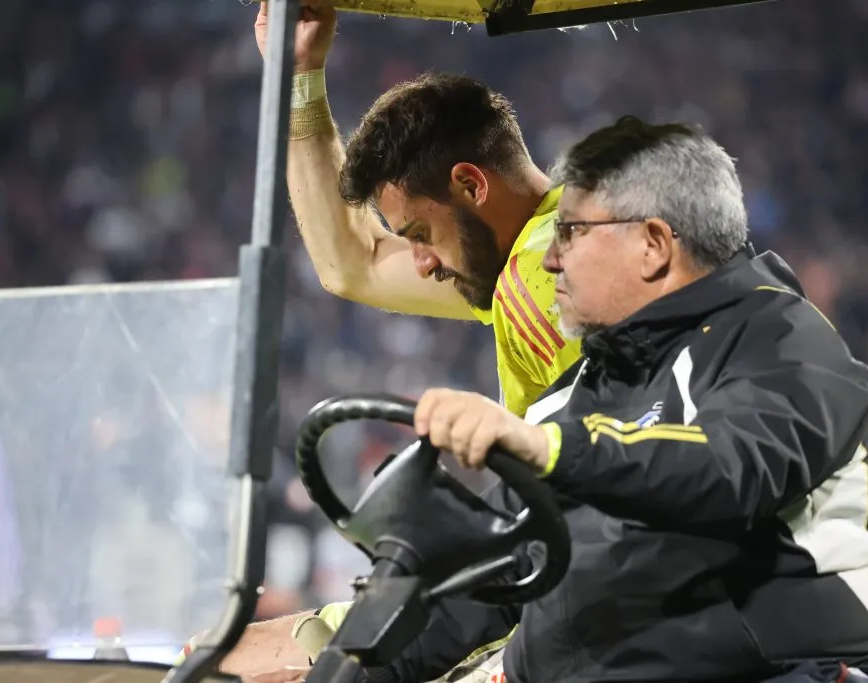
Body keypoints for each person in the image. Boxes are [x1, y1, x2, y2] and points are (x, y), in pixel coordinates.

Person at [344, 116, 868, 683]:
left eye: (571, 234)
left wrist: (548, 448)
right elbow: (488, 575)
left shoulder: (781, 339)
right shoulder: (580, 393)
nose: (551, 259)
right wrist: (346, 667)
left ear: (653, 245)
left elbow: (727, 467)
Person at [200, 3, 584, 678]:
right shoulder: (523, 260)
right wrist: (298, 79)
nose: (424, 263)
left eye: (420, 236)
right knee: (243, 657)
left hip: (569, 604)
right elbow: (353, 261)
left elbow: (596, 520)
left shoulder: (550, 279)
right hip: (530, 580)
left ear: (469, 183)